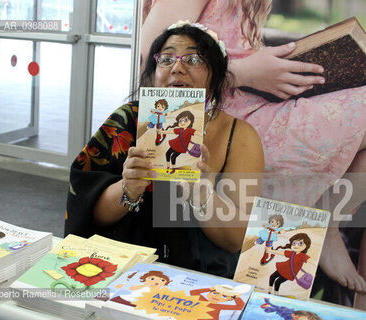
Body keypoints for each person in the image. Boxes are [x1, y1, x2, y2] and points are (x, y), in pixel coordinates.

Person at [141, 0, 366, 296]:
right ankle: (323, 225)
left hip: (250, 108)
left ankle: (327, 226)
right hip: (214, 120)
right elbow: (150, 55)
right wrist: (247, 72)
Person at [65, 23, 264, 279]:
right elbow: (89, 211)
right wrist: (128, 189)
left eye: (193, 59)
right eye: (167, 58)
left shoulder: (239, 136)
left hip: (198, 280)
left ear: (215, 74)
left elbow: (236, 240)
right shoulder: (126, 122)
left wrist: (205, 198)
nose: (177, 68)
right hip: (127, 269)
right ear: (154, 72)